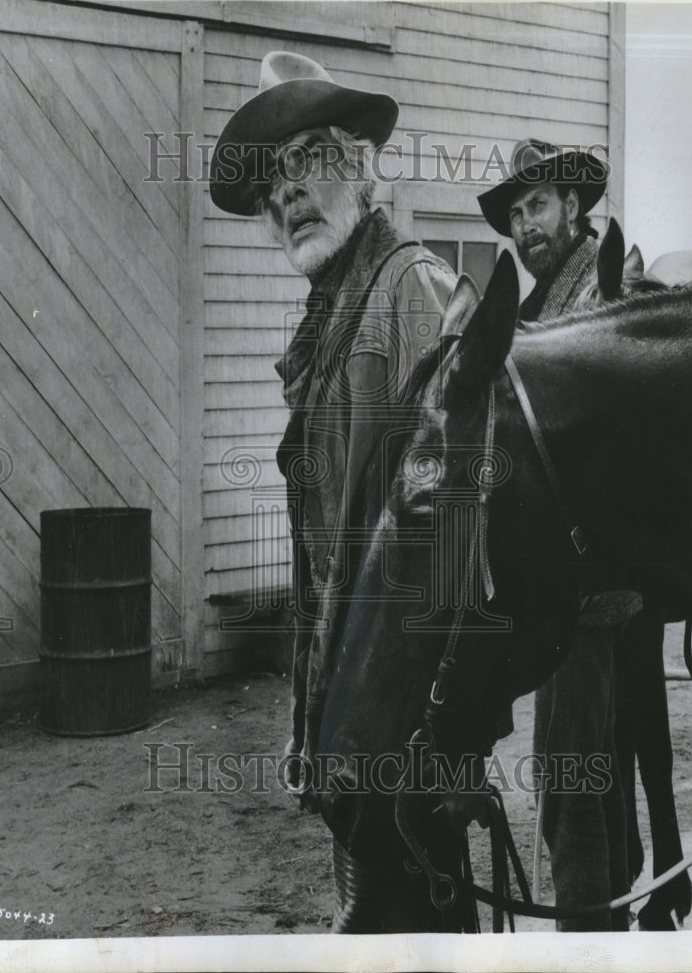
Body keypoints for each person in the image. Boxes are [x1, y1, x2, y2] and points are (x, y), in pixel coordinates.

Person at [210, 51, 479, 932]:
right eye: (268, 183)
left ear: (361, 170)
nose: (283, 195)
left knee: (415, 926)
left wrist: (434, 730)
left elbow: (469, 516)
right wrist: (309, 717)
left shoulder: (412, 289)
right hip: (352, 718)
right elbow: (326, 566)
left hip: (406, 726)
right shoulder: (330, 316)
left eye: (306, 162)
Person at [478, 138, 639, 931]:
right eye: (514, 213)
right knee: (589, 774)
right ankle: (606, 917)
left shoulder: (608, 290)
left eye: (536, 204)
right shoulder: (535, 309)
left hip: (596, 588)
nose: (524, 225)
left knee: (570, 777)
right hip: (556, 587)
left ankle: (585, 934)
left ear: (575, 206)